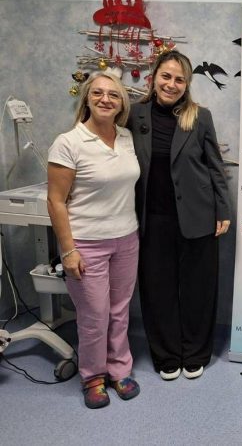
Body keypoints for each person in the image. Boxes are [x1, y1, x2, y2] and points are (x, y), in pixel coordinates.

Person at [128, 50, 232, 381]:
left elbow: (215, 166)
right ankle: (167, 355)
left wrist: (223, 209)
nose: (171, 84)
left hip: (197, 215)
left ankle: (196, 352)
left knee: (198, 288)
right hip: (152, 218)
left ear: (186, 84)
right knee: (157, 289)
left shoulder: (199, 117)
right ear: (153, 77)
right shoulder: (133, 115)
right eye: (166, 76)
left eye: (179, 79)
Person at [47, 71, 140, 409]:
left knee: (119, 311)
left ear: (122, 104)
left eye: (113, 95)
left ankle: (119, 370)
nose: (105, 99)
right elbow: (56, 201)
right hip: (87, 243)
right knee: (94, 316)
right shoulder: (68, 142)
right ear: (87, 98)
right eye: (98, 93)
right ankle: (93, 377)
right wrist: (68, 251)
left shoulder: (127, 137)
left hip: (126, 238)